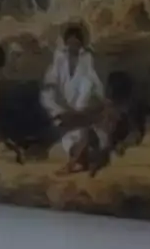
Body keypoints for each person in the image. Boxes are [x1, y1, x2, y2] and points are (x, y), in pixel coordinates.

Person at [42, 22, 109, 169]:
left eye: (77, 40)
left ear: (81, 42)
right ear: (66, 41)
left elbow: (94, 84)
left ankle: (82, 155)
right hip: (63, 113)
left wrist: (96, 104)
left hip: (82, 113)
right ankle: (78, 156)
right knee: (66, 139)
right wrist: (58, 110)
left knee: (85, 133)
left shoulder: (87, 59)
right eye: (70, 40)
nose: (74, 43)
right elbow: (49, 86)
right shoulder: (59, 59)